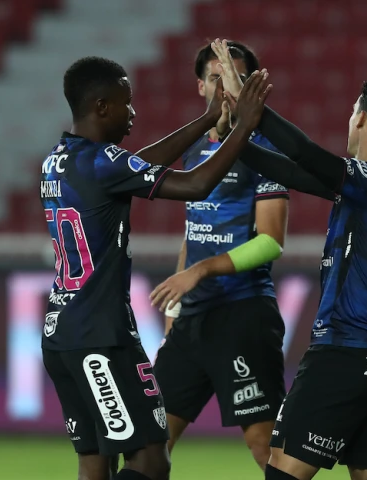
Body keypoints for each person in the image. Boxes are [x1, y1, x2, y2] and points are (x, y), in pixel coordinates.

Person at [159, 57, 367, 479]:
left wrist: (250, 107)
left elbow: (301, 153)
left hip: (344, 353)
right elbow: (292, 171)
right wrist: (237, 137)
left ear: (362, 119)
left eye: (354, 109)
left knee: (280, 472)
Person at [39, 56, 272, 480]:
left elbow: (137, 165)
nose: (133, 112)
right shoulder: (104, 164)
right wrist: (243, 126)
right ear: (102, 107)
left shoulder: (58, 161)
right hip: (101, 339)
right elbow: (196, 185)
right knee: (150, 460)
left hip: (61, 335)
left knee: (95, 462)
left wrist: (206, 121)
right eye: (126, 103)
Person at [147, 39, 293, 471]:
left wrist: (201, 271)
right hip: (192, 321)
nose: (227, 86)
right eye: (217, 76)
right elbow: (193, 234)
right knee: (150, 442)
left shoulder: (265, 152)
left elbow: (271, 241)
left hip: (244, 316)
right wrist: (176, 300)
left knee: (264, 445)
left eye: (238, 78)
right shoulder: (192, 147)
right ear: (200, 86)